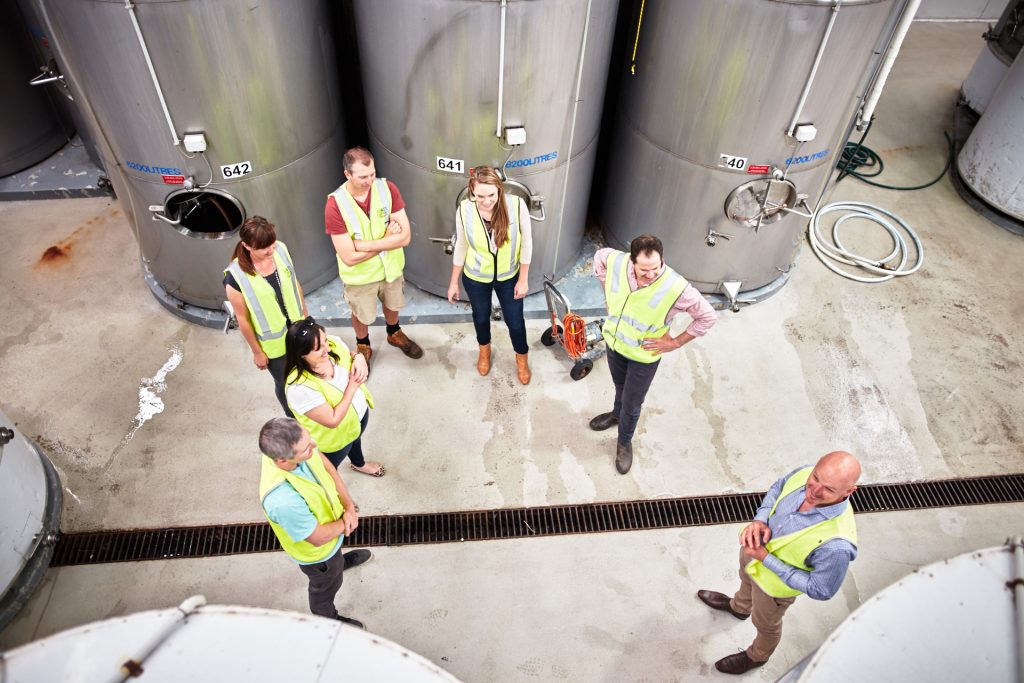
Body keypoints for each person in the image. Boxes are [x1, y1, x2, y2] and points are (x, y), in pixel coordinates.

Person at [697, 451, 861, 675]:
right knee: (745, 582)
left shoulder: (837, 545)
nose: (813, 491)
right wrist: (759, 520)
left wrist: (766, 558)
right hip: (753, 554)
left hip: (774, 590)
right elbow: (778, 487)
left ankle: (757, 657)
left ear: (849, 491)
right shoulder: (805, 473)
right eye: (815, 478)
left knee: (766, 626)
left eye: (829, 489)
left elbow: (821, 589)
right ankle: (739, 608)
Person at [590, 235, 716, 474]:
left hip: (644, 355)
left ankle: (624, 442)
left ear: (663, 260)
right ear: (631, 261)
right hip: (615, 344)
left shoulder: (676, 287)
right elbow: (598, 258)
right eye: (644, 270)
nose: (650, 275)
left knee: (632, 402)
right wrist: (606, 289)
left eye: (655, 268)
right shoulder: (616, 261)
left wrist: (676, 342)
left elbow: (708, 316)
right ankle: (616, 415)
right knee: (620, 386)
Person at [258, 417, 371, 627]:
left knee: (335, 564)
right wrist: (348, 520)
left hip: (334, 532)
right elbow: (318, 538)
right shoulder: (282, 500)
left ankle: (339, 564)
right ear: (282, 461)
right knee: (325, 587)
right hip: (319, 556)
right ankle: (327, 619)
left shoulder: (295, 444)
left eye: (310, 440)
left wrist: (347, 507)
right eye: (306, 449)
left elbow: (327, 467)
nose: (315, 446)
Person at [325, 146, 422, 371]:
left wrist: (365, 245)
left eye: (372, 174)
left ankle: (394, 333)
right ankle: (363, 345)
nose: (369, 180)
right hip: (360, 277)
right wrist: (387, 239)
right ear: (347, 174)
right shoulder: (335, 204)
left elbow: (405, 237)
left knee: (393, 304)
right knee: (361, 314)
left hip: (391, 269)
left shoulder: (387, 189)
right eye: (362, 177)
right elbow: (348, 257)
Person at [446, 166, 533, 384]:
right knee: (480, 317)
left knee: (515, 322)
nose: (486, 201)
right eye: (480, 196)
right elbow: (462, 245)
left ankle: (522, 359)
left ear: (499, 190)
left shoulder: (516, 205)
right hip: (476, 277)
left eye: (491, 195)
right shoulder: (464, 209)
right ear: (472, 192)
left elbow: (527, 244)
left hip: (509, 276)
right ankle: (484, 351)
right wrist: (453, 282)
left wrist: (523, 279)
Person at [224, 216, 308, 416]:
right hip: (274, 345)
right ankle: (294, 419)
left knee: (307, 373)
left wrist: (305, 314)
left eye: (272, 244)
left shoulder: (281, 249)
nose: (272, 250)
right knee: (285, 383)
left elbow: (294, 282)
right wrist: (257, 352)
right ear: (247, 246)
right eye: (265, 248)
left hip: (299, 328)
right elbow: (242, 319)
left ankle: (311, 410)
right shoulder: (234, 277)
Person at [284, 318, 386, 478]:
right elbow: (332, 420)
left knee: (356, 439)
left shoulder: (332, 343)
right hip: (335, 440)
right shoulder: (299, 388)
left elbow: (349, 354)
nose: (327, 348)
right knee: (328, 472)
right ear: (302, 354)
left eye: (325, 340)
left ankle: (359, 463)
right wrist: (352, 386)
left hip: (356, 418)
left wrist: (359, 357)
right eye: (318, 348)